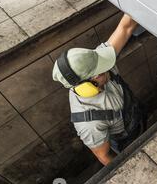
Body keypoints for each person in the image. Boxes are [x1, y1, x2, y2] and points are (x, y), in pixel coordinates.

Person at [52, 14, 147, 166]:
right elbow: (104, 156)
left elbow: (126, 27)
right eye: (101, 70)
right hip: (127, 140)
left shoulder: (97, 62)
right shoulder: (89, 123)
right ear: (90, 82)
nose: (107, 67)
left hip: (137, 116)